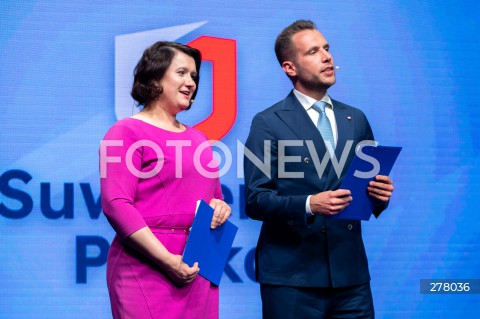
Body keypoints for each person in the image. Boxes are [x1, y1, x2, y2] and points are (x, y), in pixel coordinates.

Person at [243, 20, 395, 318]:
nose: (327, 57)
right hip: (291, 280)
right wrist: (310, 204)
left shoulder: (357, 118)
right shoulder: (268, 122)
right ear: (290, 67)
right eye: (313, 51)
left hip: (351, 277)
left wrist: (380, 196)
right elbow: (255, 199)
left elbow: (364, 194)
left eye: (326, 48)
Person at [100, 41, 231, 319]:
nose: (191, 82)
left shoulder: (199, 139)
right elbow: (116, 203)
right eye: (182, 73)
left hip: (197, 263)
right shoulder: (126, 131)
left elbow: (215, 198)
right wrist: (167, 260)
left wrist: (221, 208)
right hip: (147, 266)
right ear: (155, 77)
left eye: (194, 76)